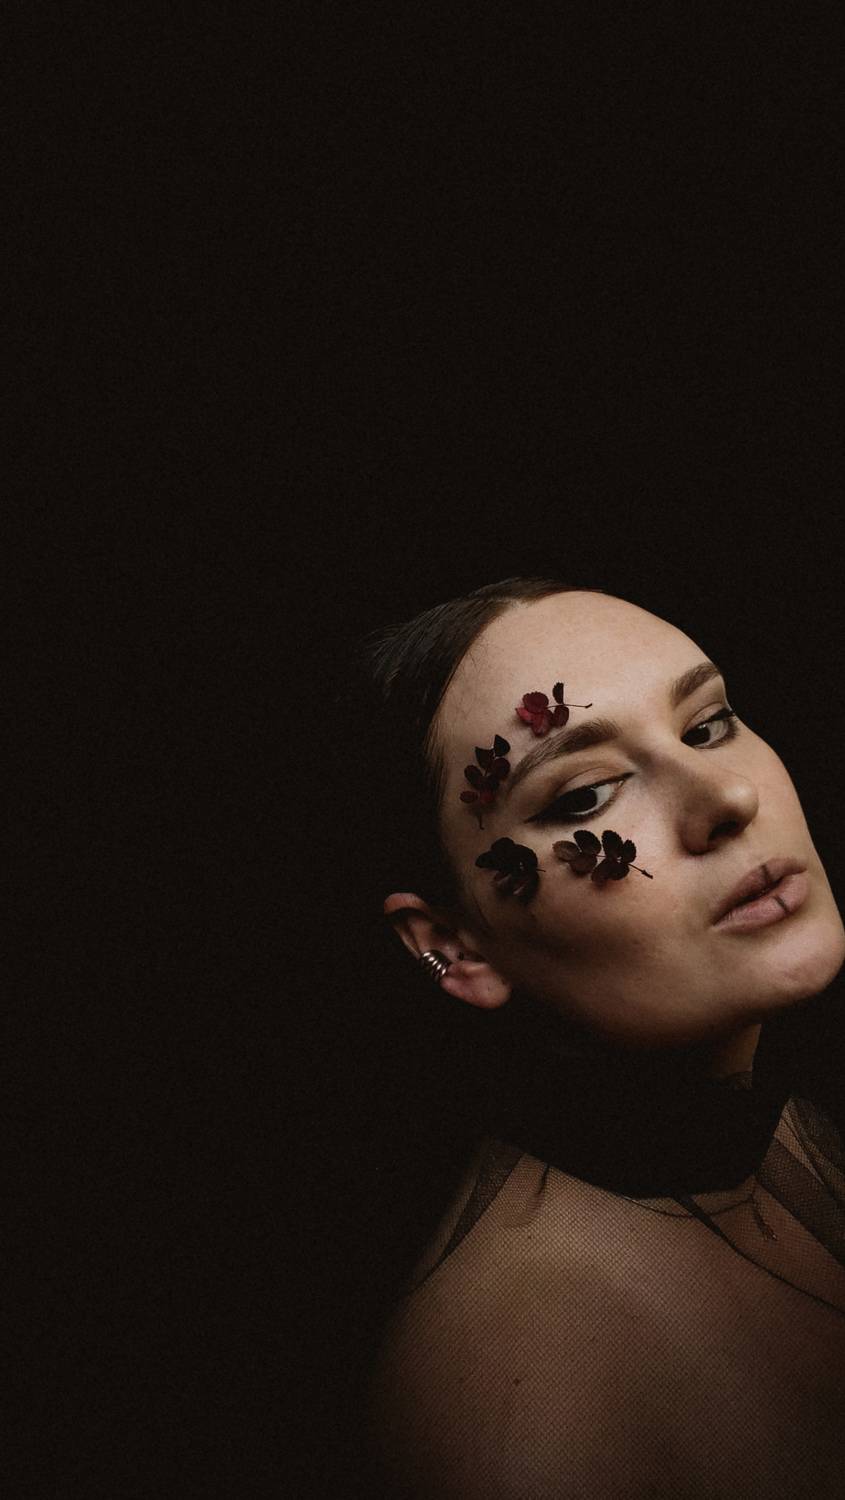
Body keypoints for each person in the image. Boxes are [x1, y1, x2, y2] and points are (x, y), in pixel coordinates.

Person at [343, 576, 845, 1499]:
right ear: (454, 946)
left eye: (706, 726)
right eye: (584, 798)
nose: (729, 794)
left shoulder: (777, 1132)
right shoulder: (532, 1422)